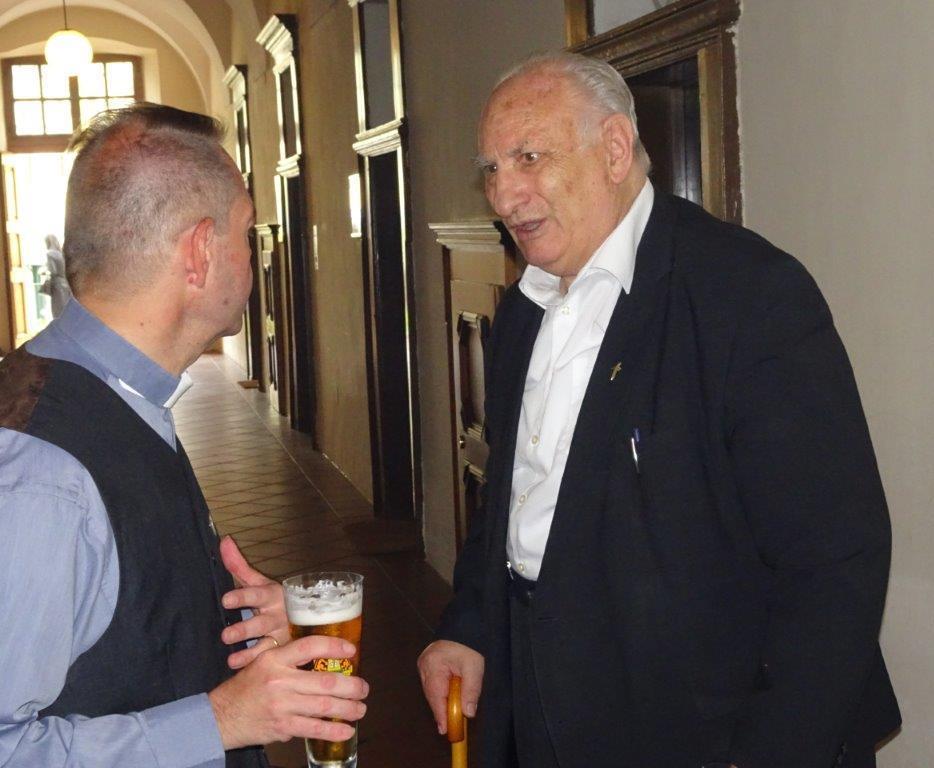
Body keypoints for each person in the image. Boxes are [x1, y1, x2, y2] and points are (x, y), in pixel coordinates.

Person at [418, 52, 900, 768]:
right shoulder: (525, 307)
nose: (503, 194)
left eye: (528, 158)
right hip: (541, 699)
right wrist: (469, 627)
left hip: (699, 726)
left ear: (615, 149)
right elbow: (515, 499)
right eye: (491, 168)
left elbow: (834, 561)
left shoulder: (749, 295)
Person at [0, 103, 368, 767]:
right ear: (199, 252)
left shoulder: (122, 394)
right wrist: (222, 720)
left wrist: (229, 624)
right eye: (245, 232)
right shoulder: (43, 478)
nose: (253, 255)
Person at [39, 233, 73, 318]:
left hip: (57, 285)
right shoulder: (62, 254)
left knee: (57, 312)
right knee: (66, 311)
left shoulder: (50, 254)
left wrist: (44, 272)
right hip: (66, 284)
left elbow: (53, 271)